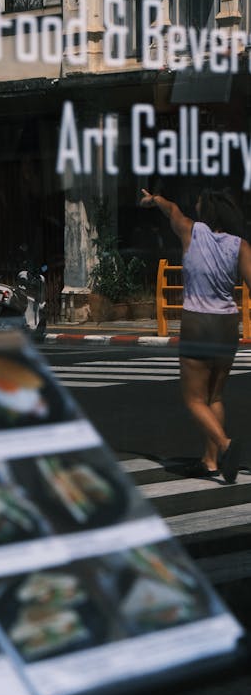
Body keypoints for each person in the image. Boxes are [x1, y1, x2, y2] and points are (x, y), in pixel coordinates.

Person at [140, 186, 251, 485]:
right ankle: (210, 461)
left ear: (207, 210)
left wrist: (154, 200)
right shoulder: (240, 245)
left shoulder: (190, 231)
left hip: (198, 322)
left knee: (193, 399)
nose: (197, 207)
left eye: (200, 203)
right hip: (228, 324)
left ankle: (225, 446)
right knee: (214, 395)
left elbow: (171, 207)